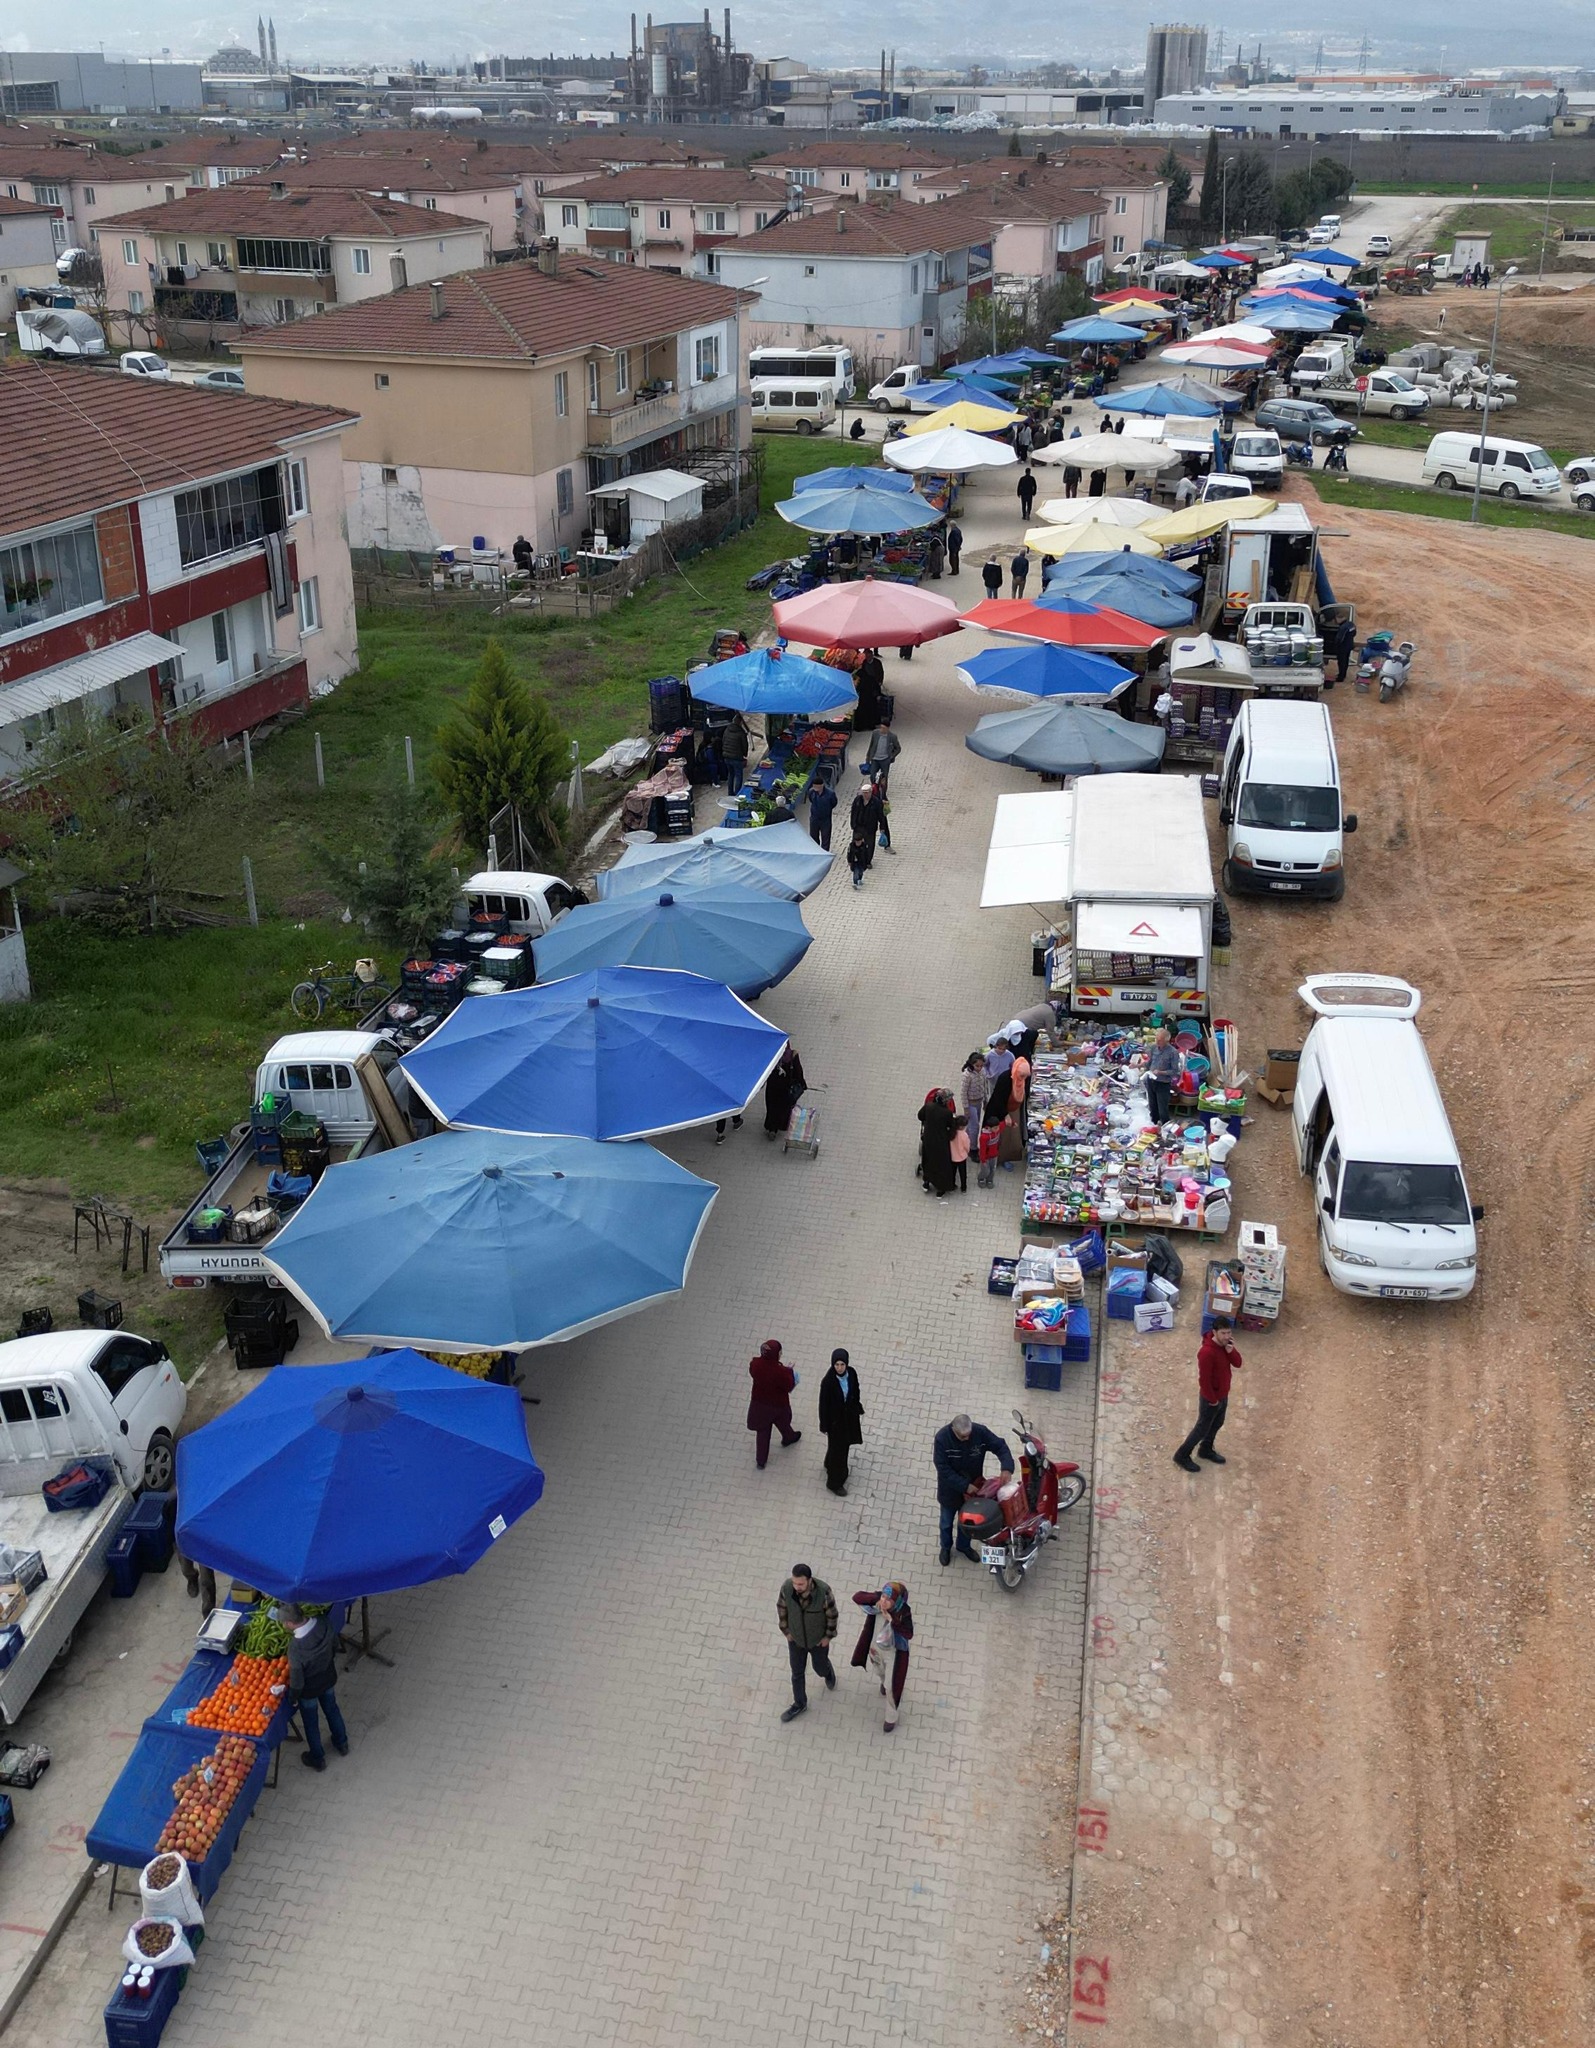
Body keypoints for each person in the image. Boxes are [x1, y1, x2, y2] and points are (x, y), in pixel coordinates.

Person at [933, 1413, 1014, 1565]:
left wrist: (1007, 1467)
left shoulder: (980, 1432)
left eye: (968, 1435)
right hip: (950, 1491)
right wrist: (964, 1486)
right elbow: (943, 1469)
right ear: (953, 1429)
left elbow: (1000, 1446)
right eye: (962, 1437)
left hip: (974, 1490)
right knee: (946, 1522)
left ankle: (964, 1546)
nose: (967, 1439)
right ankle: (945, 1547)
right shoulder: (942, 1439)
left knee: (969, 1523)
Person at [281, 1603, 348, 1772]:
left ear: (290, 1623)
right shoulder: (323, 1622)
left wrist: (293, 1697)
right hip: (327, 1678)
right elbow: (334, 1643)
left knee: (311, 1723)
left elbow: (297, 1680)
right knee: (332, 1709)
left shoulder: (295, 1649)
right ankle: (342, 1743)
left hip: (309, 1690)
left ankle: (317, 1758)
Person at [1174, 1324, 1242, 1472]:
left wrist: (1231, 1351)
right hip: (1211, 1399)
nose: (1226, 1336)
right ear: (1214, 1332)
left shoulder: (1226, 1347)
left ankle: (1205, 1449)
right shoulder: (1206, 1352)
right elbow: (1204, 1381)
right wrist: (1213, 1400)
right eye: (1223, 1333)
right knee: (1201, 1429)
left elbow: (1238, 1363)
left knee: (1217, 1423)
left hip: (1223, 1395)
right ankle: (1182, 1455)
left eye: (1229, 1332)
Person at [777, 1564, 838, 1723]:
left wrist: (827, 1637)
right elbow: (782, 1609)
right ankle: (799, 1704)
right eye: (795, 1583)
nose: (797, 1587)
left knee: (819, 1668)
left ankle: (827, 1670)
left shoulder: (823, 1592)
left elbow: (832, 1616)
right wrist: (787, 1632)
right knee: (797, 1673)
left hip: (817, 1641)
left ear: (809, 1581)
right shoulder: (787, 1588)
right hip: (796, 1640)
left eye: (801, 1584)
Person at [851, 1582, 913, 1733]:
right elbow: (857, 1597)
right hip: (876, 1649)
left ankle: (890, 1718)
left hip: (893, 1653)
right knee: (879, 1671)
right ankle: (882, 1680)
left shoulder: (903, 1612)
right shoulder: (878, 1604)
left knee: (891, 1686)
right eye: (884, 1596)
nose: (884, 1601)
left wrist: (892, 1620)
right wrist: (877, 1597)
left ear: (896, 1602)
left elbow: (908, 1633)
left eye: (888, 1599)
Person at [747, 1338, 801, 1468]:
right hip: (778, 1405)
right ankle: (789, 1437)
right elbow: (788, 1386)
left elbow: (753, 1372)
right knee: (783, 1422)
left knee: (763, 1432)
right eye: (780, 1352)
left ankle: (761, 1461)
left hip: (759, 1405)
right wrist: (790, 1372)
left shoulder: (755, 1364)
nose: (781, 1354)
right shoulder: (780, 1372)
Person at [818, 1348, 864, 1495]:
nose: (839, 1368)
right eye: (836, 1364)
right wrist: (824, 1424)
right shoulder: (828, 1382)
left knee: (839, 1447)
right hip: (835, 1423)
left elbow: (855, 1390)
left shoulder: (851, 1374)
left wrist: (857, 1405)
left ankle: (829, 1463)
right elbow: (823, 1404)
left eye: (842, 1364)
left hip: (848, 1419)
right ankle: (835, 1482)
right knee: (841, 1451)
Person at [918, 1087, 958, 1198]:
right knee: (941, 1165)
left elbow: (920, 1116)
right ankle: (941, 1188)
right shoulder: (947, 1113)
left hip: (928, 1139)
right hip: (941, 1142)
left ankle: (926, 1182)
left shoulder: (929, 1106)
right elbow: (951, 1126)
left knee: (928, 1160)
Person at [763, 1042, 806, 1138]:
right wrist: (802, 1083)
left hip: (772, 1087)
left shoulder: (772, 1055)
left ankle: (771, 1127)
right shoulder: (792, 1055)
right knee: (783, 1108)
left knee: (772, 1107)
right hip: (786, 1087)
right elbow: (798, 1071)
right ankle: (780, 1125)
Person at [1145, 1027, 1181, 1126]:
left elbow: (1174, 1071)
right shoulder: (1153, 1048)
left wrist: (1160, 1072)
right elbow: (1149, 1062)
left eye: (1160, 1040)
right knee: (1152, 1107)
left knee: (1162, 1110)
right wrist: (1139, 1066)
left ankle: (1166, 1128)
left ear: (1166, 1040)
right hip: (1151, 1080)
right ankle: (1154, 1126)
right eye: (1156, 1039)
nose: (1157, 1042)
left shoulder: (1173, 1052)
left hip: (1163, 1083)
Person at [959, 1050, 989, 1165]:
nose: (979, 1068)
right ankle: (972, 1149)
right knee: (975, 1127)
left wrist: (985, 1100)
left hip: (979, 1101)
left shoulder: (982, 1072)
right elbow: (963, 1092)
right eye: (977, 1066)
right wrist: (966, 1108)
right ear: (972, 1064)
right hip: (971, 1104)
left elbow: (984, 1086)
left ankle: (964, 1140)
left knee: (972, 1126)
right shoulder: (967, 1075)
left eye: (981, 1065)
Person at [865, 717, 901, 797]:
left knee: (884, 777)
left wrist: (891, 756)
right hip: (875, 759)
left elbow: (898, 748)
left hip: (885, 760)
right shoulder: (875, 733)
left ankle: (883, 794)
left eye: (883, 728)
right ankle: (874, 790)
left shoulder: (892, 737)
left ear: (887, 728)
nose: (881, 730)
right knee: (872, 775)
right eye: (881, 727)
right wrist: (868, 757)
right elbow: (871, 746)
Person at [854, 648, 885, 730]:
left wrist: (879, 682)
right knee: (865, 706)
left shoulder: (877, 663)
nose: (867, 658)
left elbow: (880, 673)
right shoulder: (863, 664)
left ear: (871, 655)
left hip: (873, 686)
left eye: (868, 656)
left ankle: (872, 723)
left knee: (872, 706)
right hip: (865, 688)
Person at [1323, 612, 1357, 686]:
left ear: (1340, 618)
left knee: (1341, 662)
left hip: (1343, 647)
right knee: (1346, 661)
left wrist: (1335, 646)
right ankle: (1343, 674)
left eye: (1336, 619)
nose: (1335, 621)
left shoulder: (1343, 627)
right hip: (1349, 645)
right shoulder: (1351, 624)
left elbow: (1339, 639)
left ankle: (1340, 677)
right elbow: (1354, 633)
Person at [720, 714, 749, 794]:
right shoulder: (741, 732)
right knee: (738, 776)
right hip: (737, 758)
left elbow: (723, 741)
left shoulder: (727, 730)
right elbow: (745, 745)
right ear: (740, 723)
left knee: (730, 774)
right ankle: (737, 793)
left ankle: (730, 792)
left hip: (726, 756)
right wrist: (745, 754)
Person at [808, 776, 838, 849]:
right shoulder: (811, 792)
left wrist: (827, 810)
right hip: (814, 818)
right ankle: (815, 851)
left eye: (817, 786)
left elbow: (834, 803)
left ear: (821, 785)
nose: (815, 788)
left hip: (825, 819)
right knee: (813, 837)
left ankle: (825, 852)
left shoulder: (830, 794)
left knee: (825, 837)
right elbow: (811, 800)